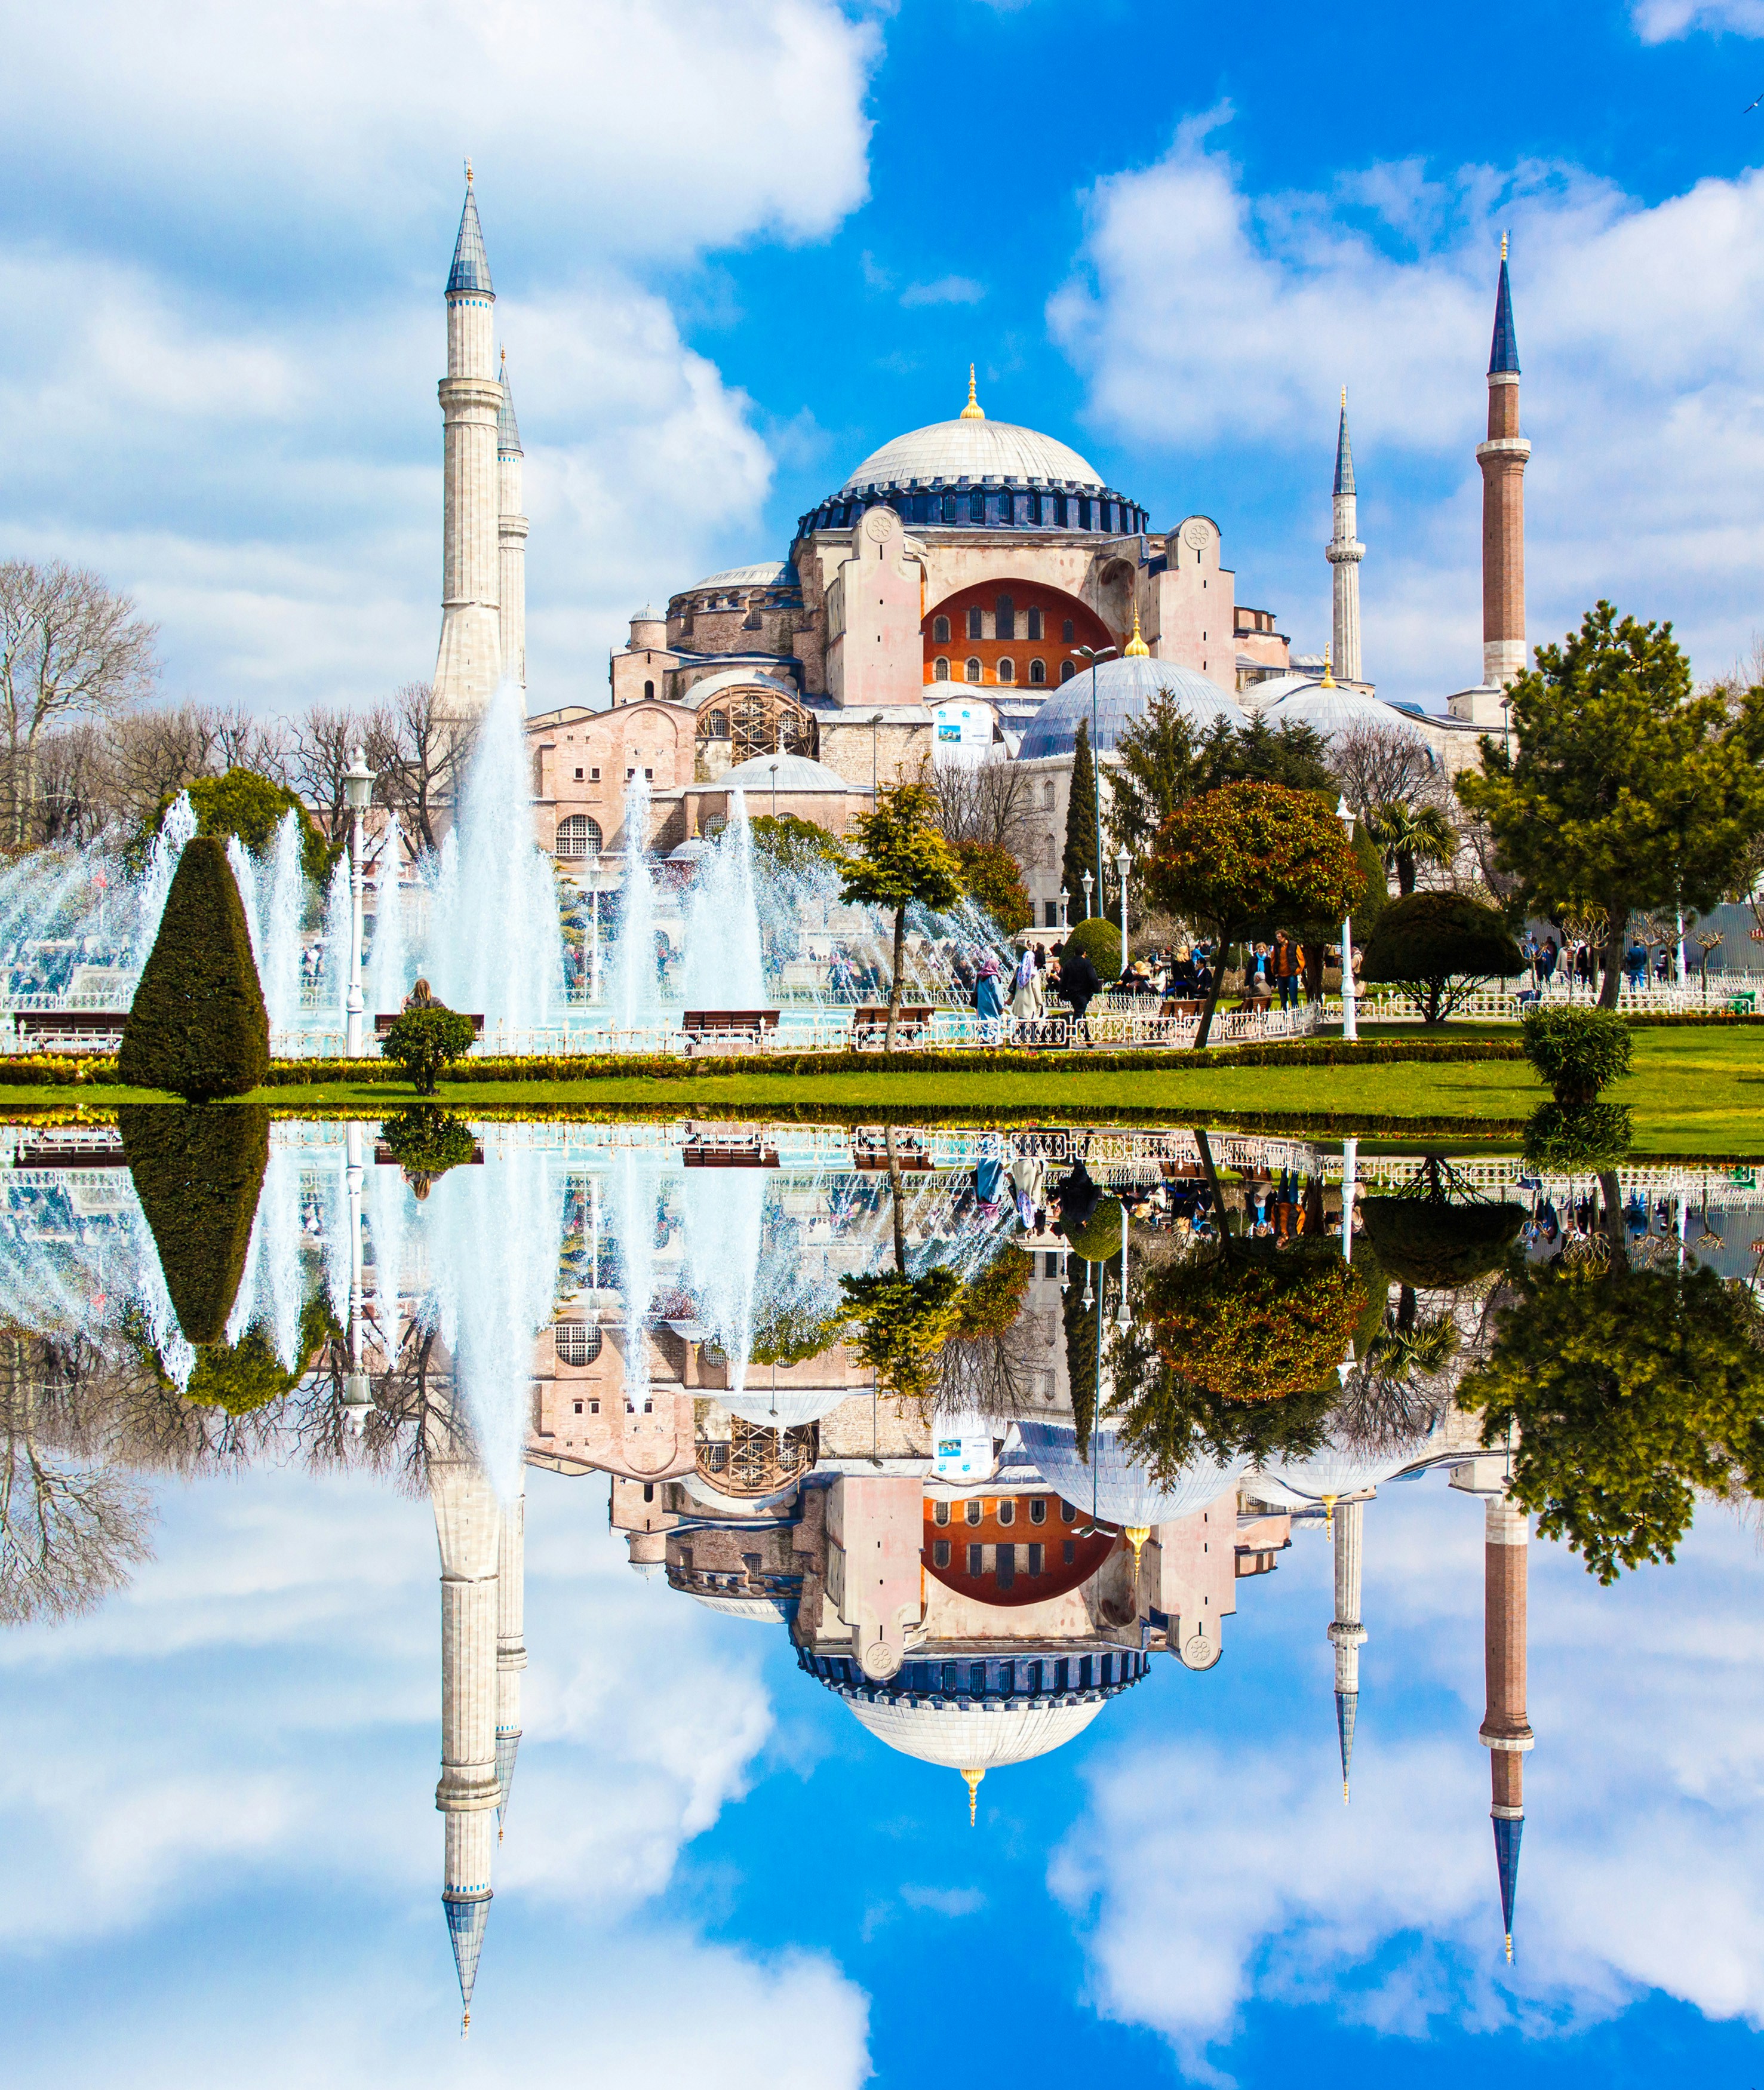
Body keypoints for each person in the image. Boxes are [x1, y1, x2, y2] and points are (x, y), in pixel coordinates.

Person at [1057, 941, 1101, 1035]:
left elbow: (1064, 980)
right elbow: (1092, 978)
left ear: (1075, 953)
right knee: (1079, 1013)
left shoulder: (1069, 963)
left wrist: (1062, 993)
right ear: (1084, 953)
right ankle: (1069, 1034)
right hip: (1083, 994)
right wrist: (1096, 989)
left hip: (1072, 993)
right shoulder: (1086, 963)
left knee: (1081, 1013)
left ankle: (1087, 1038)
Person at [975, 957, 1007, 1043]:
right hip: (991, 1003)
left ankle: (983, 1037)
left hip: (982, 1003)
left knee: (984, 1020)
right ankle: (990, 1040)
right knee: (994, 1021)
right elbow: (997, 993)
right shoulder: (993, 977)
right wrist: (1001, 1006)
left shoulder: (981, 976)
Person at [1273, 932, 1302, 1012]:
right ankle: (1285, 1016)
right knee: (1283, 999)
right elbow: (1273, 960)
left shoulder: (1294, 945)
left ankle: (1296, 1016)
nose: (1278, 939)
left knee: (1293, 998)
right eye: (1277, 937)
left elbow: (1301, 959)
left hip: (1291, 975)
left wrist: (1297, 971)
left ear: (1284, 937)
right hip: (1281, 976)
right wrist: (1275, 972)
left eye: (1279, 937)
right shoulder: (1277, 947)